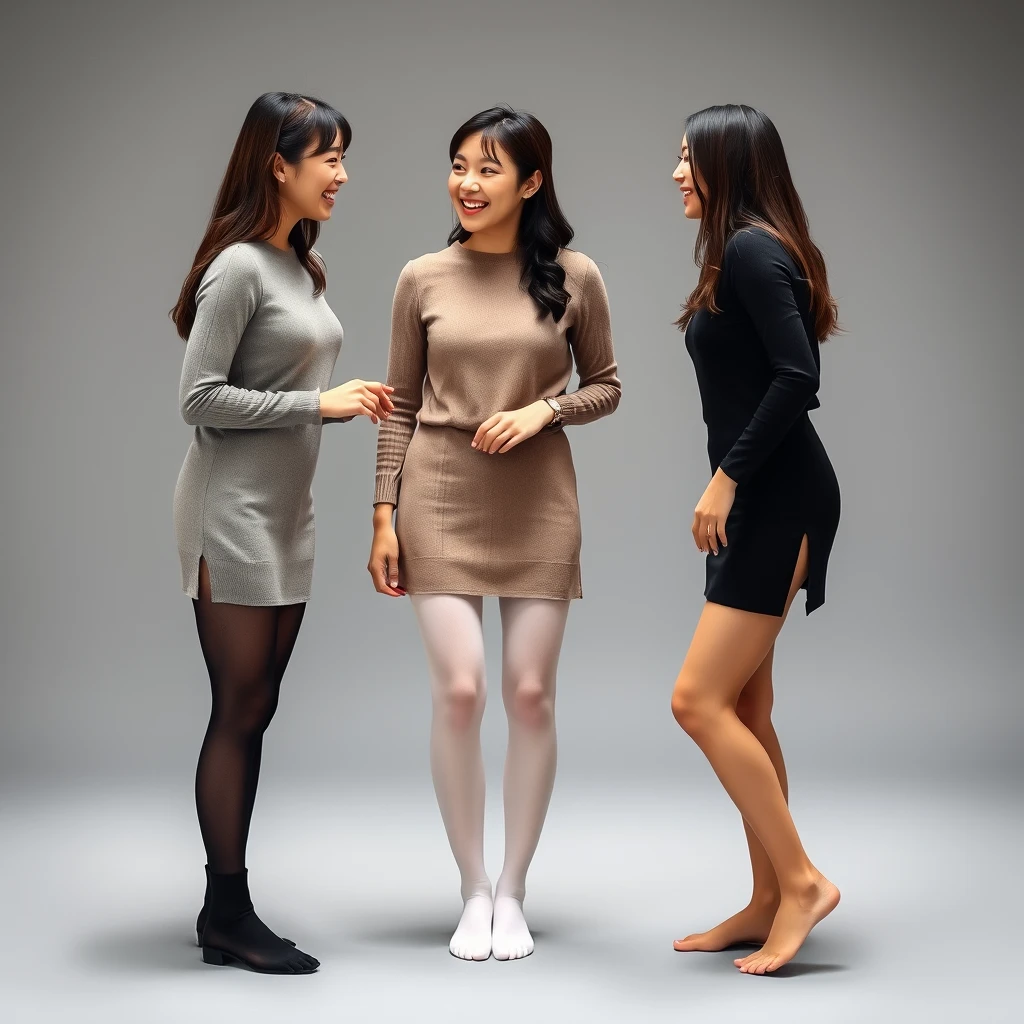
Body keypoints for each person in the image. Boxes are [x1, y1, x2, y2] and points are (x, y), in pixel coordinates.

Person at [368, 106, 621, 961]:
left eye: (487, 169)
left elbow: (608, 386)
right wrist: (382, 515)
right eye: (457, 166)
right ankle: (471, 887)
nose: (466, 184)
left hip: (539, 499)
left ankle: (514, 888)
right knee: (461, 693)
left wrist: (543, 408)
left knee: (530, 696)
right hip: (436, 494)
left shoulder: (576, 275)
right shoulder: (421, 278)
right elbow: (398, 405)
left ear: (531, 182)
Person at [170, 91, 393, 974]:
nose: (341, 173)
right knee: (239, 708)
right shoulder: (239, 268)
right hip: (229, 512)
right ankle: (226, 911)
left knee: (257, 707)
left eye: (343, 156)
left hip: (286, 514)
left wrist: (339, 400)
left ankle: (225, 905)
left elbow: (285, 378)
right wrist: (319, 403)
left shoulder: (300, 264)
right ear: (279, 164)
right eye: (328, 156)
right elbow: (197, 398)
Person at [668, 104, 842, 974]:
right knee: (746, 709)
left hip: (778, 500)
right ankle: (767, 896)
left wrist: (726, 477)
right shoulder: (742, 252)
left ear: (727, 164)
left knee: (696, 701)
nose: (676, 175)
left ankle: (803, 882)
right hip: (762, 501)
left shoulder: (751, 249)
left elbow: (798, 376)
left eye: (688, 159)